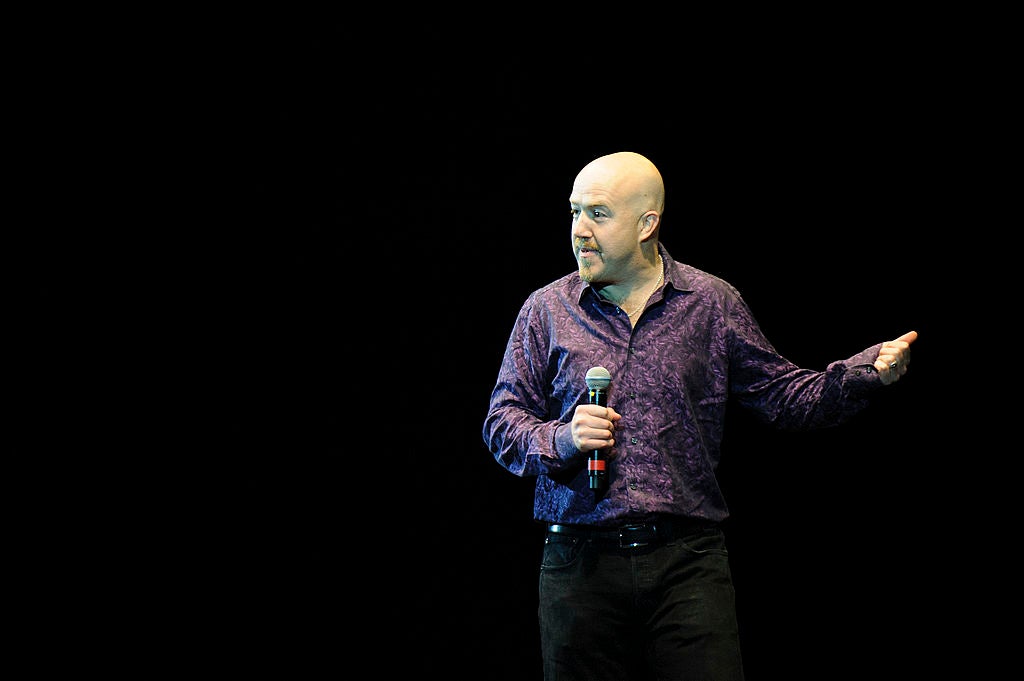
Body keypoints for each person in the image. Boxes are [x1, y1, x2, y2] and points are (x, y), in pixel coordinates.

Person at [481, 151, 917, 681]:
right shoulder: (547, 310)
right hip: (579, 564)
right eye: (574, 212)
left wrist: (863, 371)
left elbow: (783, 397)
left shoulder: (710, 303)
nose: (579, 230)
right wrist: (563, 438)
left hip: (686, 564)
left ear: (647, 224)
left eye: (597, 214)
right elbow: (502, 423)